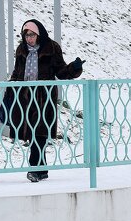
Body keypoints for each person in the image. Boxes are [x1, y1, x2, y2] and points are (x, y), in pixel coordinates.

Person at [7, 19, 84, 182]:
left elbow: (61, 72)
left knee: (39, 132)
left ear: (39, 34)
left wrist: (75, 68)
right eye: (26, 35)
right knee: (32, 133)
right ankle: (42, 169)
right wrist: (12, 85)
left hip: (44, 96)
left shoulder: (51, 48)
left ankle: (34, 168)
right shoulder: (21, 49)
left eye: (32, 35)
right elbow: (17, 71)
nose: (29, 38)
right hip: (25, 96)